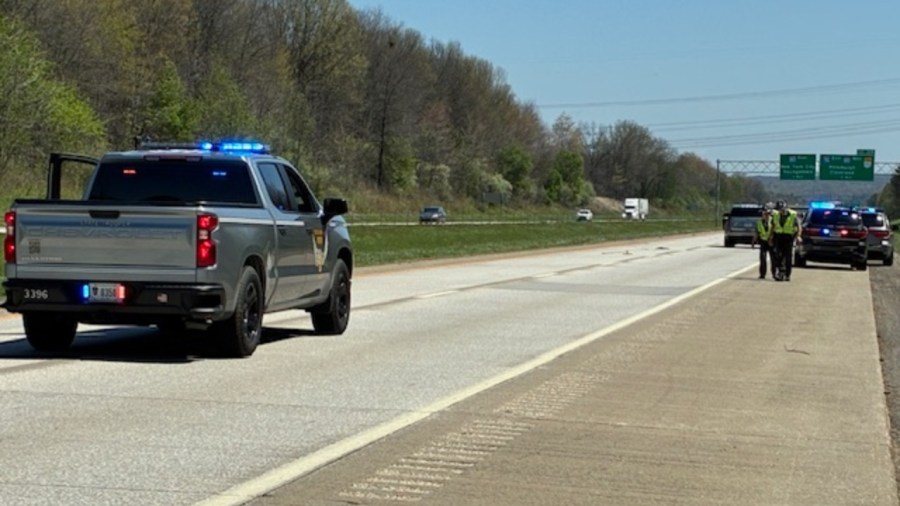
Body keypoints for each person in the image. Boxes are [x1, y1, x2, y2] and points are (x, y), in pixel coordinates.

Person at [769, 200, 800, 282]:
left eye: (782, 209)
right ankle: (780, 271)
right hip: (779, 237)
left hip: (788, 237)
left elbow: (799, 226)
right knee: (778, 255)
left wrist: (798, 236)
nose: (780, 211)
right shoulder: (776, 215)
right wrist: (770, 237)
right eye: (779, 210)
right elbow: (773, 226)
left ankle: (787, 274)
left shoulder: (793, 215)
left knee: (788, 256)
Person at [751, 207, 775, 279]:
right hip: (763, 242)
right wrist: (753, 242)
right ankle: (762, 274)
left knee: (773, 259)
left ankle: (774, 273)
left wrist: (772, 239)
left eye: (768, 214)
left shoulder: (773, 221)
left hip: (771, 242)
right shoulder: (759, 222)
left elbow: (775, 232)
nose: (766, 216)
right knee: (763, 258)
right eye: (764, 214)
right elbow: (756, 233)